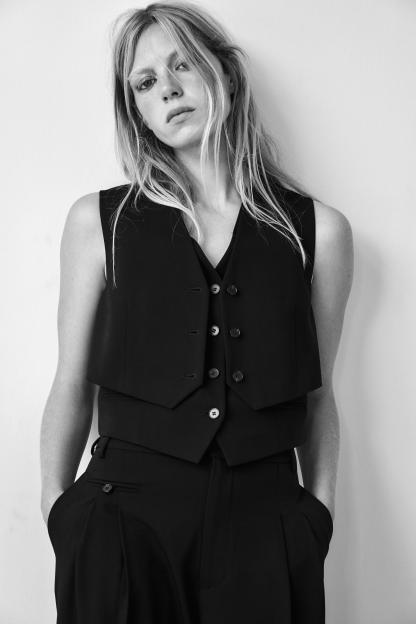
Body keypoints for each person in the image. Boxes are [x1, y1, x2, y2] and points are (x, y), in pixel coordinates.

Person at [39, 2, 354, 623]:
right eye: (145, 82)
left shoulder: (319, 231)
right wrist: (61, 515)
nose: (168, 89)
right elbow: (71, 384)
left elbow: (319, 396)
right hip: (120, 527)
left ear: (225, 73)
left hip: (266, 530)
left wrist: (315, 519)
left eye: (183, 64)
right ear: (136, 110)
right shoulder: (99, 223)